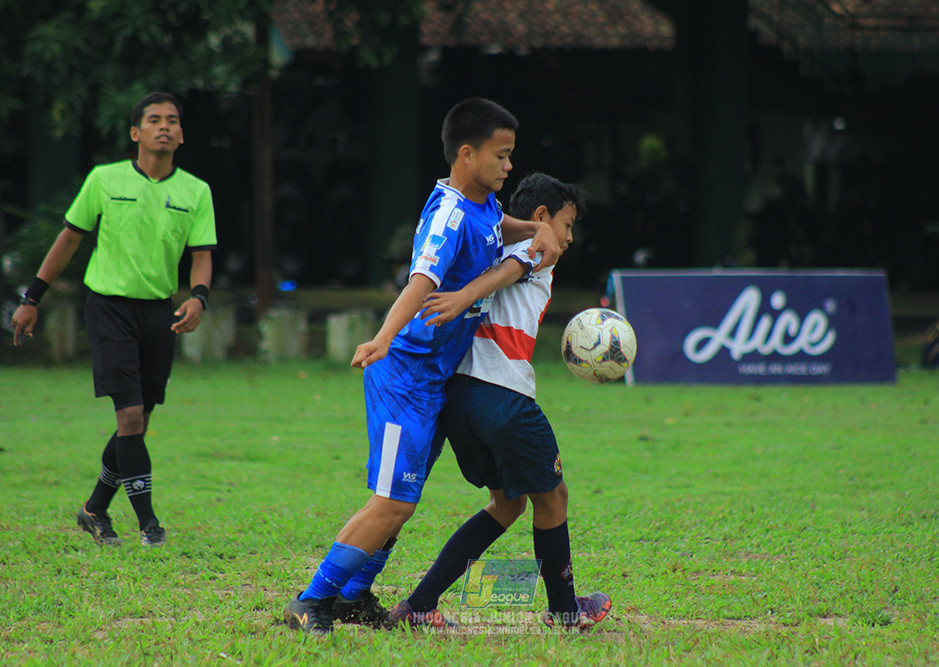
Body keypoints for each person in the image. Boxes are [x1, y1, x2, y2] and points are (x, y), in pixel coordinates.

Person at [282, 97, 561, 632]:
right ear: (466, 154)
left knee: (403, 500)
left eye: (510, 155)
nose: (509, 166)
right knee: (392, 503)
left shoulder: (482, 204)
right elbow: (421, 281)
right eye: (501, 155)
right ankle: (311, 601)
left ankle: (353, 596)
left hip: (434, 381)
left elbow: (496, 226)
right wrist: (383, 338)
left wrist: (532, 228)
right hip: (405, 376)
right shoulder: (449, 215)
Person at [386, 172, 612, 631]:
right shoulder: (539, 246)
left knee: (507, 505)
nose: (568, 238)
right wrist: (467, 295)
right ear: (542, 216)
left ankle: (419, 605)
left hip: (460, 397)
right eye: (567, 225)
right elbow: (513, 267)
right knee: (554, 498)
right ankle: (565, 610)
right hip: (503, 395)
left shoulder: (487, 243)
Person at [10, 92, 217, 547]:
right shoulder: (105, 179)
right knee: (130, 417)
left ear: (181, 135)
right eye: (154, 120)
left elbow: (202, 254)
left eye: (172, 121)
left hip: (159, 313)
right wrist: (32, 298)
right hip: (109, 309)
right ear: (135, 132)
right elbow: (68, 239)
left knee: (137, 421)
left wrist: (199, 298)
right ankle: (149, 525)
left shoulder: (196, 191)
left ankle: (94, 509)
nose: (164, 127)